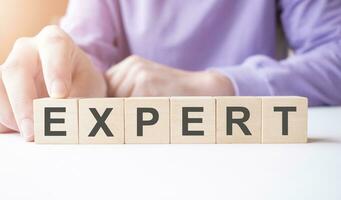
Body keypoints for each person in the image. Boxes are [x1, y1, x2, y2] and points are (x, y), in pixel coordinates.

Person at [0, 0, 340, 141]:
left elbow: (335, 52)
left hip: (258, 162)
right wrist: (78, 80)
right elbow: (85, 50)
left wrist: (213, 85)